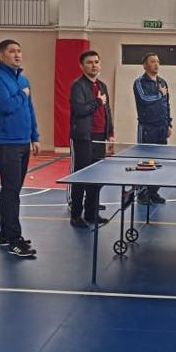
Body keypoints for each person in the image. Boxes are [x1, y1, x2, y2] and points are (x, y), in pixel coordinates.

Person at [0, 39, 40, 258]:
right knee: (10, 191)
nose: (17, 54)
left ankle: (5, 234)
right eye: (12, 51)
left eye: (19, 50)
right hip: (7, 142)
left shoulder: (23, 80)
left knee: (14, 190)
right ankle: (14, 240)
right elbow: (6, 106)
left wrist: (34, 136)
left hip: (23, 141)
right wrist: (21, 94)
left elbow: (29, 109)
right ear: (1, 56)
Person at [69, 50, 113, 229]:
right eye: (89, 62)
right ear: (82, 66)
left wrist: (110, 133)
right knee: (81, 177)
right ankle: (75, 215)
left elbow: (107, 111)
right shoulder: (78, 86)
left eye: (96, 62)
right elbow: (80, 110)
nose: (94, 65)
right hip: (84, 137)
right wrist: (98, 102)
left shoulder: (102, 85)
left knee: (96, 177)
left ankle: (91, 212)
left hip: (100, 137)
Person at [133, 53, 172, 204]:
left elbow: (166, 104)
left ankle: (153, 192)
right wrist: (159, 94)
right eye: (152, 61)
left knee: (159, 162)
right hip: (147, 127)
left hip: (162, 127)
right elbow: (144, 99)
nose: (156, 64)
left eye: (158, 61)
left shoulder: (163, 82)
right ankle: (142, 193)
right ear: (145, 65)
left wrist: (169, 124)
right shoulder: (139, 82)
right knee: (146, 161)